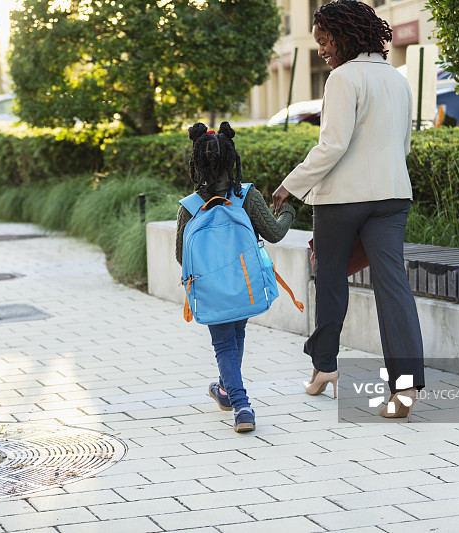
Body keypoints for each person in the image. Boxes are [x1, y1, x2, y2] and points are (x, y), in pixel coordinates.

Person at [272, 0, 424, 421]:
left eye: (324, 40)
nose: (321, 49)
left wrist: (290, 186)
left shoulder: (342, 78)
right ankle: (406, 389)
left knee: (331, 280)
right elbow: (403, 146)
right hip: (393, 196)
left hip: (342, 199)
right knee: (394, 287)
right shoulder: (397, 80)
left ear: (344, 34)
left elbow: (331, 146)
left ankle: (324, 366)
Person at [177, 121, 296, 432]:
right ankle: (233, 395)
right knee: (236, 335)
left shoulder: (189, 208)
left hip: (211, 290)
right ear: (231, 158)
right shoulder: (246, 196)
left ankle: (239, 404)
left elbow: (181, 256)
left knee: (224, 344)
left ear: (197, 163)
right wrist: (289, 212)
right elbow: (275, 233)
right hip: (244, 285)